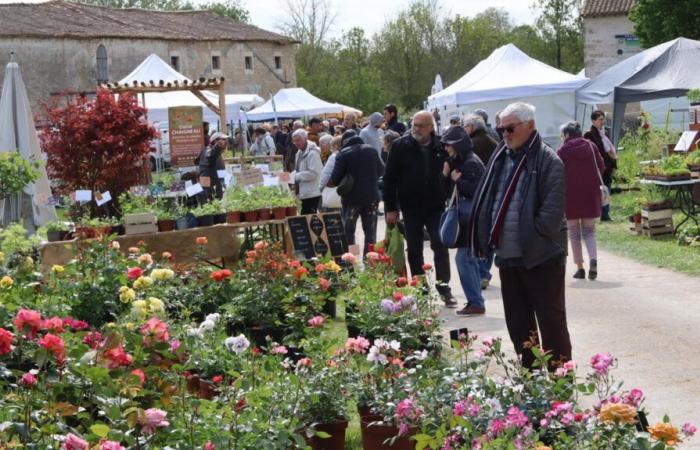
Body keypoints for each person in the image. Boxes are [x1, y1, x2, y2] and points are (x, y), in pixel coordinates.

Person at [467, 102, 571, 369]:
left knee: (551, 324)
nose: (505, 134)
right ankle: (531, 381)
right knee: (519, 325)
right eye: (501, 129)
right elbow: (490, 199)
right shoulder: (501, 157)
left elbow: (551, 213)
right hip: (508, 257)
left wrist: (532, 237)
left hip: (541, 257)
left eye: (510, 128)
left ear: (530, 126)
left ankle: (560, 383)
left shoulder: (549, 160)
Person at [383, 110, 457, 307]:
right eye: (414, 124)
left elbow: (453, 172)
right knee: (414, 248)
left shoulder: (442, 146)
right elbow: (389, 179)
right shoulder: (401, 146)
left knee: (440, 245)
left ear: (431, 127)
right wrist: (391, 207)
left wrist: (450, 193)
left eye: (421, 125)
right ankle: (420, 288)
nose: (416, 129)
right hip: (411, 206)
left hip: (436, 205)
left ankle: (444, 287)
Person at [439, 126, 486, 315]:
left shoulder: (470, 163)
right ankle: (475, 301)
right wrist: (447, 175)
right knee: (468, 259)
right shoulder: (461, 161)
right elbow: (446, 190)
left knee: (464, 259)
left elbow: (476, 190)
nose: (446, 148)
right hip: (468, 217)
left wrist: (456, 180)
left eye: (449, 144)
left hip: (470, 218)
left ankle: (475, 302)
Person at [557, 121, 605, 280]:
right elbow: (602, 167)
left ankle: (580, 268)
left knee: (574, 233)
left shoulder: (562, 150)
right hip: (590, 194)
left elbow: (556, 173)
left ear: (567, 134)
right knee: (590, 231)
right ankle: (593, 260)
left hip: (570, 196)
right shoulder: (591, 146)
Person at [330, 130, 384, 254]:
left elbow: (335, 178)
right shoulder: (371, 150)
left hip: (351, 199)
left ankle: (352, 260)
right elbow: (381, 170)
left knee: (349, 232)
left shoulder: (343, 154)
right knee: (370, 232)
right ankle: (369, 261)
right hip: (371, 197)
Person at [584, 110, 616, 221]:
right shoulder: (589, 134)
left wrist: (614, 166)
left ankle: (605, 214)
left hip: (607, 167)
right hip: (597, 168)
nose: (603, 122)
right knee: (599, 190)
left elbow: (611, 152)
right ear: (593, 121)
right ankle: (597, 213)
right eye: (600, 119)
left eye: (603, 119)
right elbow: (591, 153)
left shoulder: (604, 134)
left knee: (607, 190)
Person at [292, 129, 323, 214]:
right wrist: (290, 176)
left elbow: (313, 173)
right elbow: (299, 169)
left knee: (310, 219)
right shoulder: (299, 152)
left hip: (313, 192)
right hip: (304, 192)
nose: (296, 143)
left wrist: (295, 176)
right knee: (306, 218)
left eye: (298, 140)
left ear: (305, 139)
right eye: (294, 141)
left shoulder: (313, 153)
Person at [197, 131, 228, 201]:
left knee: (210, 199)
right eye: (222, 140)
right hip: (209, 181)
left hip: (208, 180)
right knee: (210, 200)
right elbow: (210, 155)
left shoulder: (208, 150)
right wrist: (217, 147)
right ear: (216, 141)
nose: (225, 142)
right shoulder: (210, 150)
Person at [319, 135, 343, 212]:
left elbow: (326, 174)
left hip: (332, 189)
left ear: (335, 146)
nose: (330, 148)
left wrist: (320, 187)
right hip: (345, 190)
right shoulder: (347, 154)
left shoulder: (334, 156)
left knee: (329, 215)